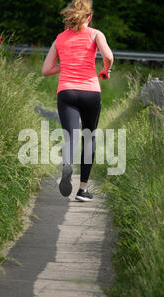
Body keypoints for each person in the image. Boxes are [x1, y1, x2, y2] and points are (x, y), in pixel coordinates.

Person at [42, 0, 114, 202]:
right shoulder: (95, 34)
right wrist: (105, 70)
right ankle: (83, 190)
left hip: (66, 92)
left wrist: (65, 65)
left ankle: (67, 164)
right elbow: (108, 56)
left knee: (70, 136)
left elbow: (46, 70)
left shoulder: (59, 39)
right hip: (90, 91)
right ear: (89, 17)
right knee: (89, 137)